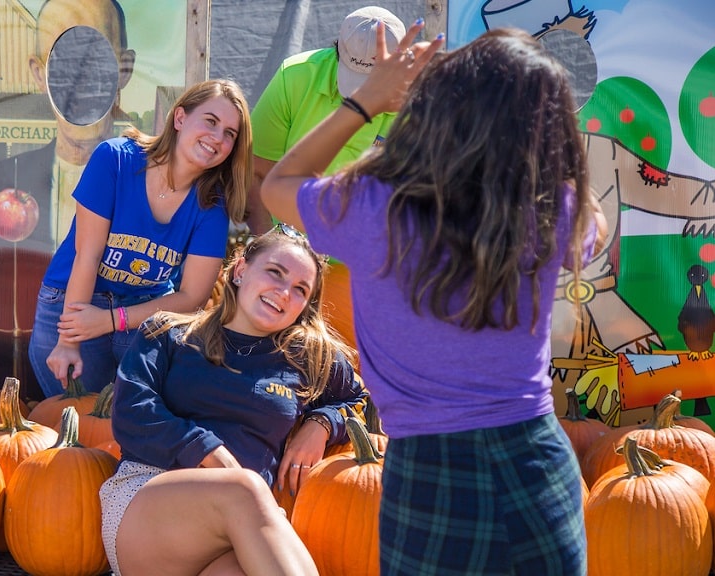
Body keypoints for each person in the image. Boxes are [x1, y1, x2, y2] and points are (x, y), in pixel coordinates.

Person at [261, 23, 608, 576]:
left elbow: (279, 182)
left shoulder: (373, 206)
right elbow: (594, 215)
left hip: (429, 470)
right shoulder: (553, 209)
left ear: (440, 108)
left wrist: (367, 101)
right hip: (538, 463)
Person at [100, 225, 369, 576]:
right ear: (241, 270)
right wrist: (208, 451)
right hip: (149, 503)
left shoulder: (308, 358)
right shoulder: (169, 333)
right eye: (276, 272)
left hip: (241, 530)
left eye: (300, 290)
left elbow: (357, 399)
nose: (285, 292)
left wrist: (321, 424)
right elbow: (132, 410)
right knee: (245, 489)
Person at [0, 0, 138, 400]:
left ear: (124, 69)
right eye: (63, 60)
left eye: (95, 57)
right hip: (6, 406)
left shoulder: (153, 192)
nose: (80, 77)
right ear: (39, 73)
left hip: (112, 410)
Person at [29, 78, 253, 396]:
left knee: (140, 421)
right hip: (73, 300)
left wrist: (112, 320)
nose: (217, 138)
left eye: (229, 134)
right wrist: (68, 341)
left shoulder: (211, 205)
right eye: (211, 121)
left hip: (145, 312)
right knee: (74, 426)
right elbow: (87, 255)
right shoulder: (115, 159)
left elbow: (192, 298)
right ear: (179, 118)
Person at [246, 6, 407, 349]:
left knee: (351, 371)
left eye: (375, 83)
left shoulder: (420, 105)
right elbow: (258, 173)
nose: (361, 96)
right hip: (286, 249)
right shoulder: (296, 76)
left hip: (362, 266)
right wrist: (269, 255)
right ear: (335, 48)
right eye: (355, 77)